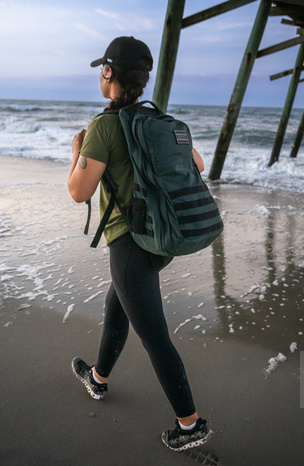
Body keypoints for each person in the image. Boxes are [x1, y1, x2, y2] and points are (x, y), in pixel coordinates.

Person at [66, 36, 212, 452]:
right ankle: (98, 379)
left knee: (154, 336)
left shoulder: (104, 127)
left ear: (109, 73)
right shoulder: (157, 122)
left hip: (130, 245)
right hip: (160, 239)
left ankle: (190, 425)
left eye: (102, 69)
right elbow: (198, 164)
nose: (100, 74)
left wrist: (76, 152)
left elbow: (79, 191)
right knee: (120, 305)